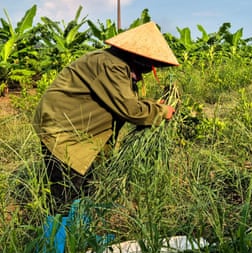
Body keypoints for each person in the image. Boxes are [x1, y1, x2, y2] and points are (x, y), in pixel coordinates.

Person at [33, 21, 179, 214]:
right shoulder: (111, 65)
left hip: (81, 132)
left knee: (87, 188)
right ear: (137, 55)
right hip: (66, 133)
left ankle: (79, 234)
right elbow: (129, 109)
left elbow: (123, 99)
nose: (151, 67)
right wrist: (162, 112)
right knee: (64, 196)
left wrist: (153, 106)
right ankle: (55, 242)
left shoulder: (119, 65)